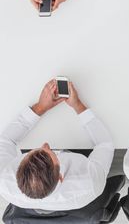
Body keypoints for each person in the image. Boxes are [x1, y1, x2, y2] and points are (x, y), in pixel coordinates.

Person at [0, 79, 115, 211]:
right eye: (53, 153)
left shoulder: (3, 180)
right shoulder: (90, 182)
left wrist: (41, 107)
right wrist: (77, 105)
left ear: (18, 168)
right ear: (60, 177)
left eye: (31, 152)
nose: (45, 144)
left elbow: (5, 141)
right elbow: (104, 143)